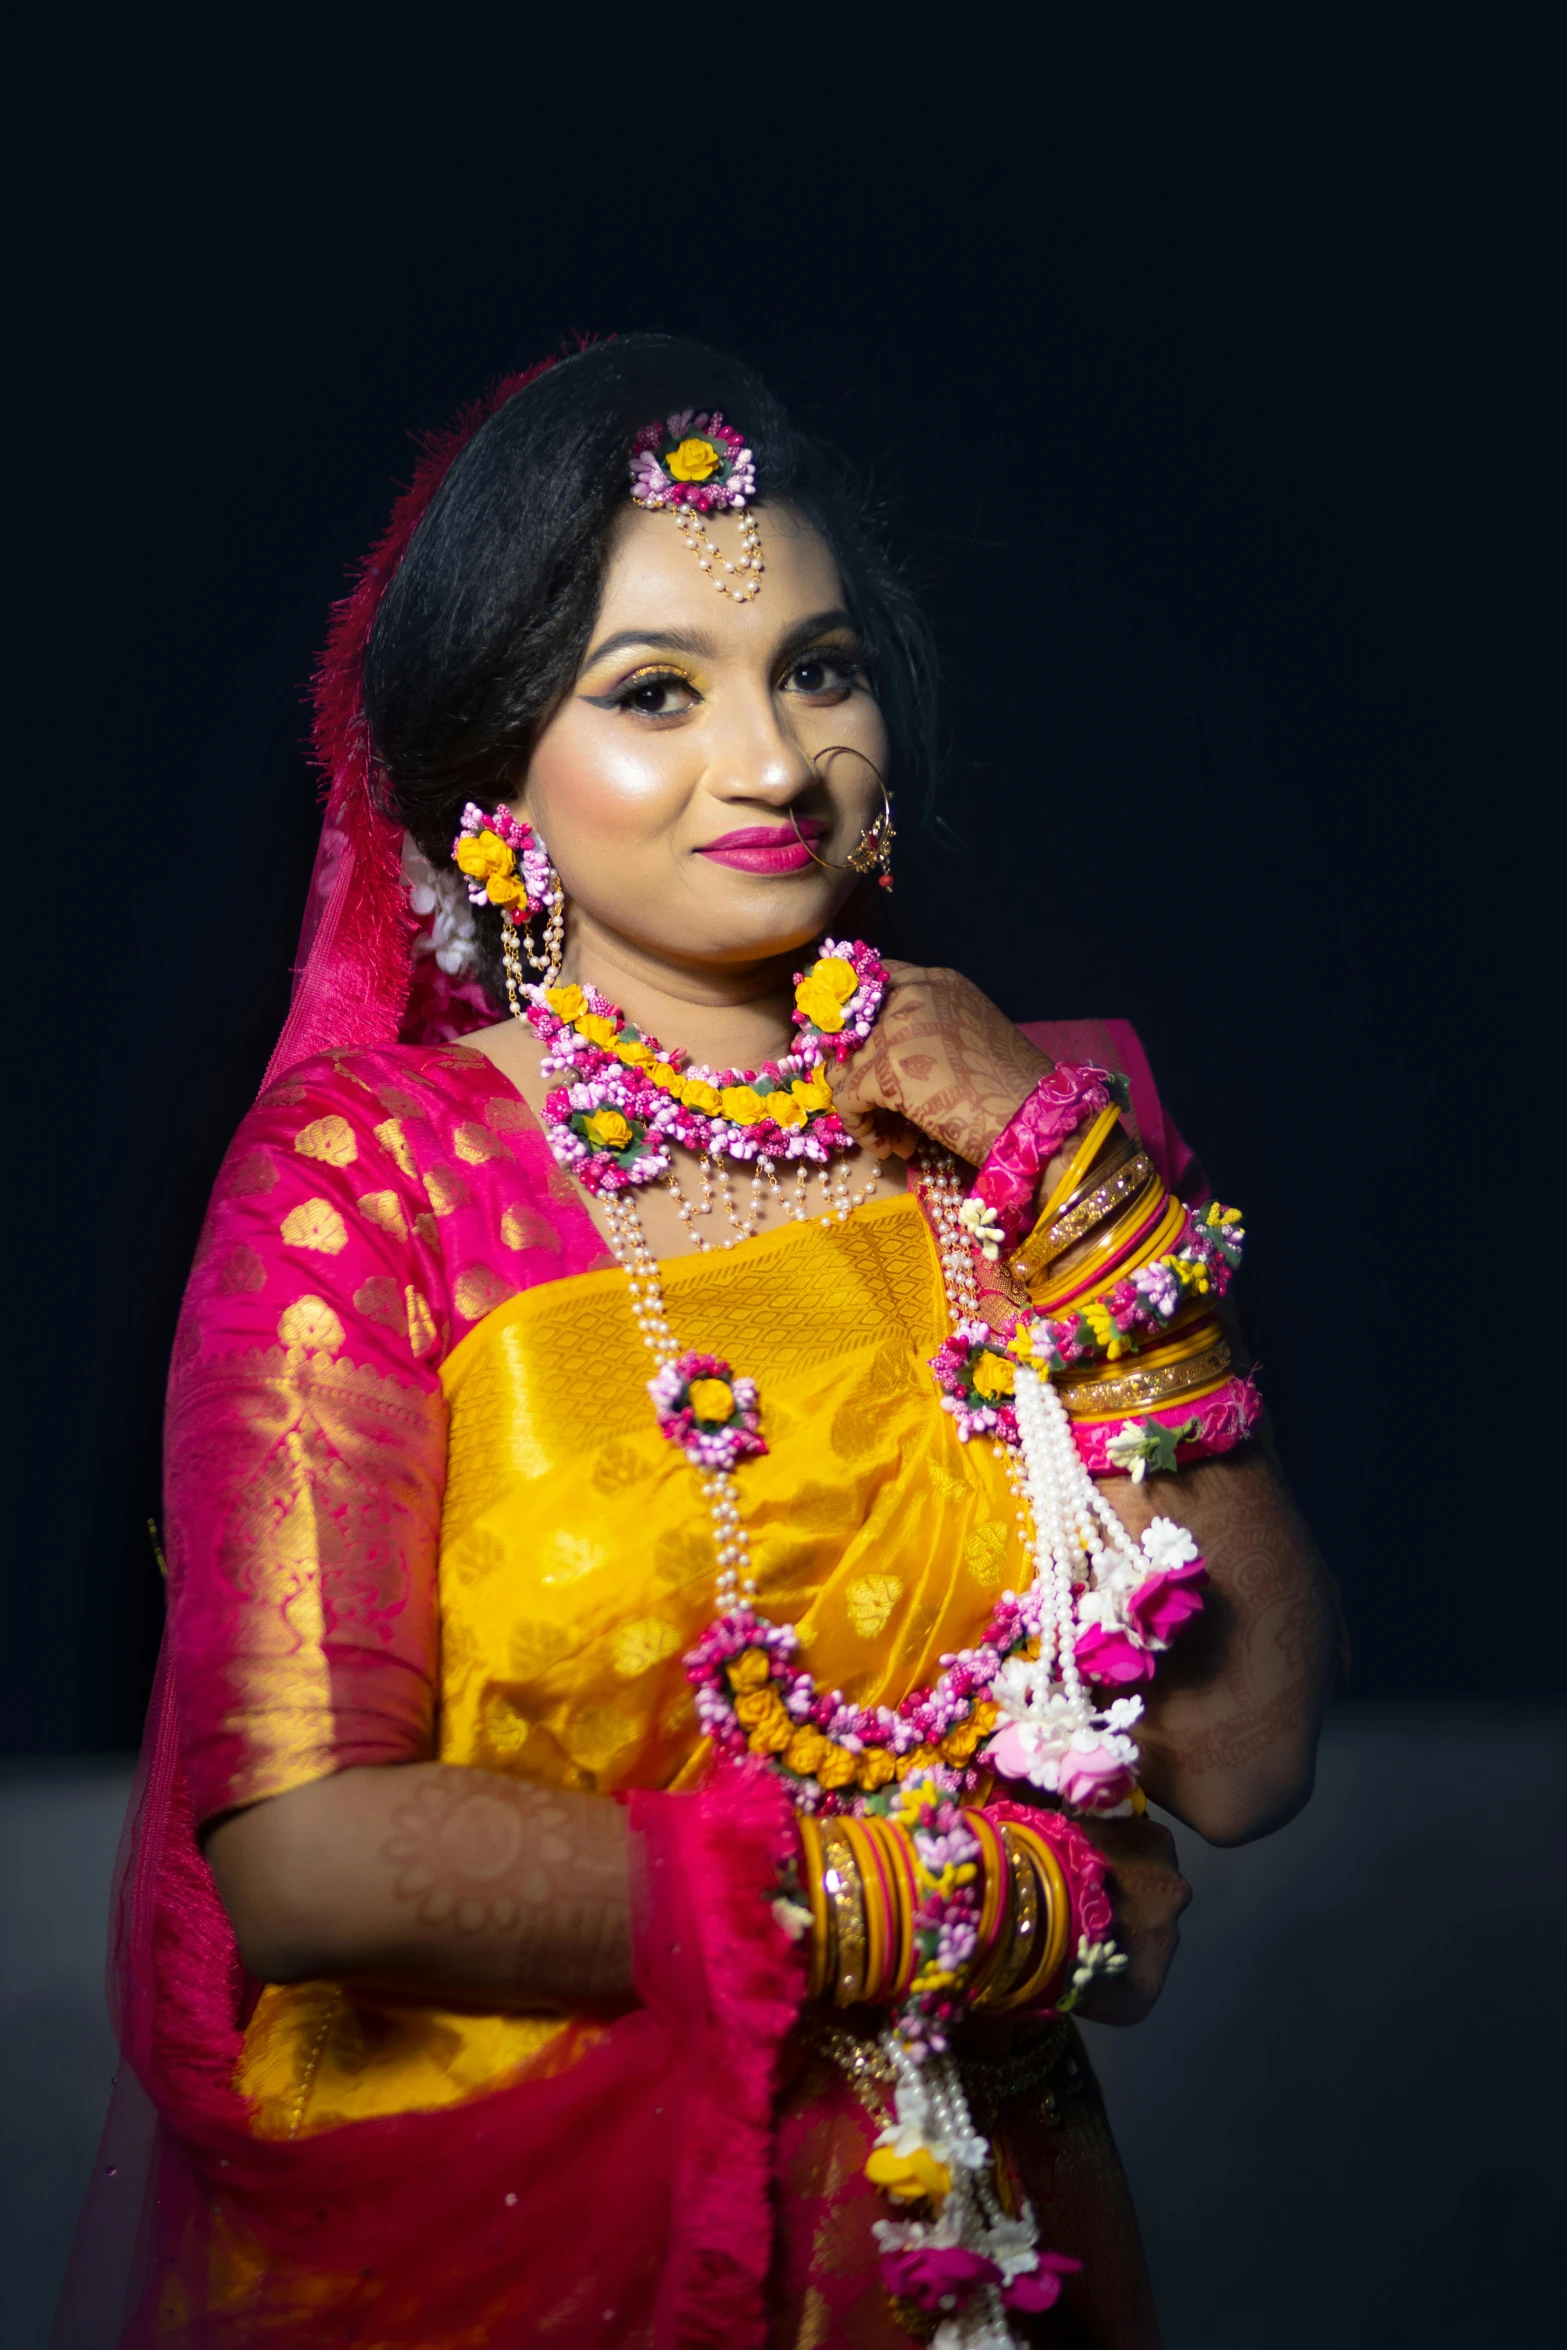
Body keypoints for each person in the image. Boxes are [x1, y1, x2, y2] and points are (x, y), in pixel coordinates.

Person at [66, 337, 1338, 2350]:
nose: (772, 760)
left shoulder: (1033, 1122)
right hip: (527, 2242)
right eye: (654, 691)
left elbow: (1241, 1756)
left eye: (817, 670)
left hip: (983, 2253)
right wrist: (912, 1904)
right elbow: (303, 1856)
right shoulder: (372, 1181)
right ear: (495, 766)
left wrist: (1077, 1194)